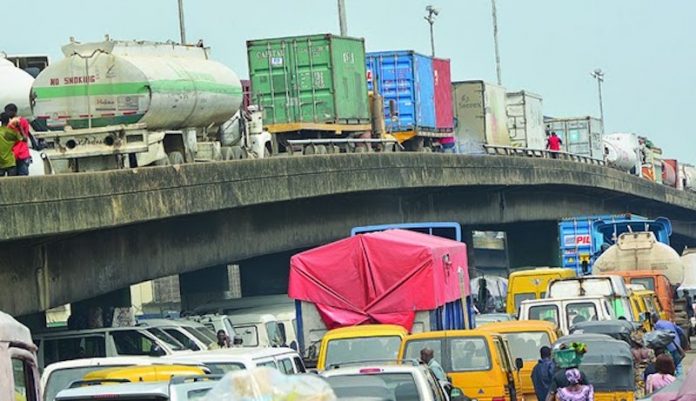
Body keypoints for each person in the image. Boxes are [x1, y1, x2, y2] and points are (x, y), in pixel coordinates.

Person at [4, 103, 33, 176]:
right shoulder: (8, 123)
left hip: (22, 154)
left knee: (23, 177)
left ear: (14, 112)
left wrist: (19, 127)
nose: (6, 114)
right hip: (12, 155)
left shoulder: (22, 121)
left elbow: (25, 138)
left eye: (8, 112)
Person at [630, 331, 655, 397]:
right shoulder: (650, 351)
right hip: (649, 373)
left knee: (639, 392)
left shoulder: (632, 352)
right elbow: (654, 362)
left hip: (637, 373)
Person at [0, 112, 25, 176]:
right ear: (9, 120)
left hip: (0, 163)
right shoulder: (13, 132)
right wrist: (20, 127)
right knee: (12, 183)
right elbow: (24, 139)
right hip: (11, 162)